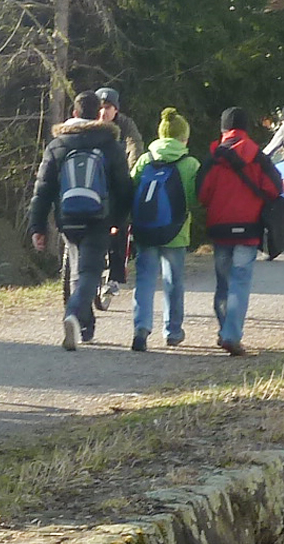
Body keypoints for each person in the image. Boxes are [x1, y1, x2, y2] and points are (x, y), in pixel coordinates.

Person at [29, 90, 133, 350]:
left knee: (77, 270)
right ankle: (74, 314)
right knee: (89, 273)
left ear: (74, 113)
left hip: (68, 219)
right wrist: (118, 221)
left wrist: (38, 226)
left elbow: (43, 189)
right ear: (98, 114)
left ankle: (85, 329)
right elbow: (124, 188)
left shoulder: (57, 145)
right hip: (99, 219)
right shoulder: (109, 144)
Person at [195, 107, 281, 357]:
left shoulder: (213, 159)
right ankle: (231, 335)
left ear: (223, 129)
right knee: (240, 282)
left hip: (220, 230)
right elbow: (274, 189)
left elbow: (202, 194)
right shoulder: (257, 157)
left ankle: (225, 330)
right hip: (249, 229)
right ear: (246, 128)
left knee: (223, 283)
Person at [129, 108, 198, 352]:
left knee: (145, 279)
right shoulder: (190, 164)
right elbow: (194, 199)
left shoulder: (145, 159)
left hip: (145, 229)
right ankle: (173, 331)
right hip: (175, 231)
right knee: (173, 281)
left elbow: (132, 188)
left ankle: (141, 328)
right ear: (184, 138)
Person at [94, 86, 144, 294]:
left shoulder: (126, 125)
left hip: (116, 178)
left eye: (108, 107)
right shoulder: (90, 125)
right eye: (100, 107)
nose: (103, 112)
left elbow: (135, 147)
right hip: (93, 180)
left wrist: (129, 174)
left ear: (116, 109)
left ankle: (115, 277)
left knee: (120, 221)